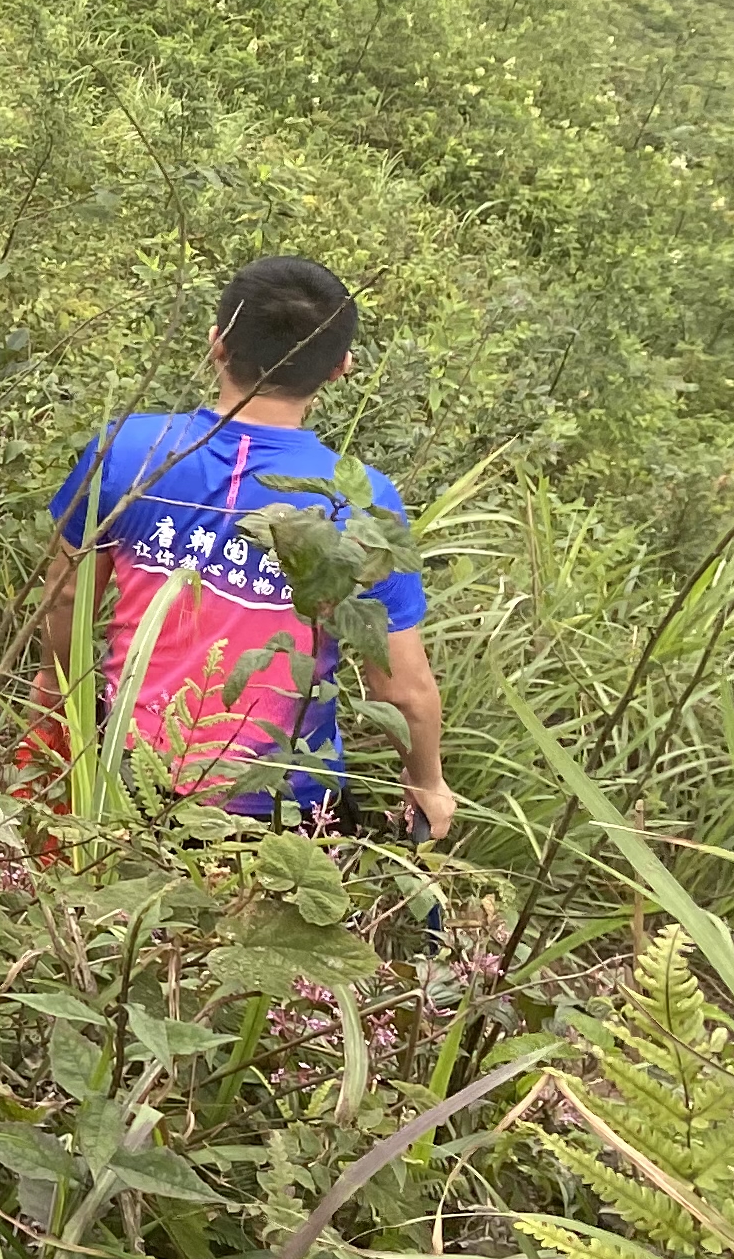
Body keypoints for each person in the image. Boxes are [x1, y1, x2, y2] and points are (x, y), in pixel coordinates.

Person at [44, 254, 452, 840]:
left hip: (121, 774)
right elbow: (400, 686)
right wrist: (427, 784)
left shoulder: (129, 450)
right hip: (286, 799)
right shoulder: (358, 501)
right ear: (341, 367)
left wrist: (53, 708)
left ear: (217, 342)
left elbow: (64, 604)